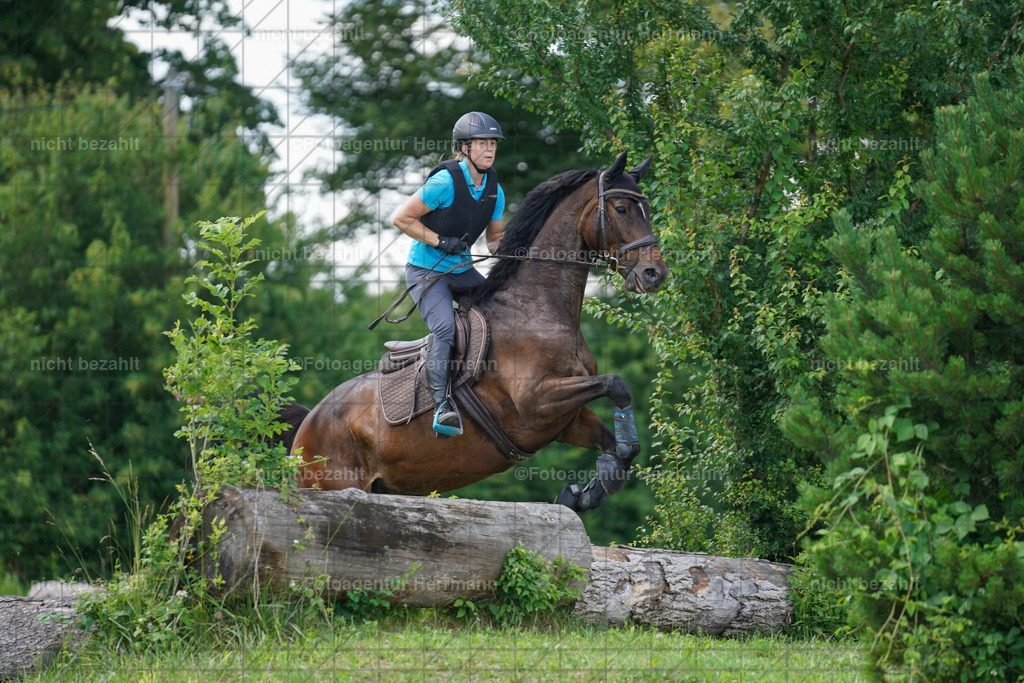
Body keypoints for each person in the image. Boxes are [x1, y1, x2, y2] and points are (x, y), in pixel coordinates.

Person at [391, 112, 506, 437]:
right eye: (483, 143)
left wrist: (515, 254)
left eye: (493, 144)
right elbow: (401, 218)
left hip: (462, 271)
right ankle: (442, 406)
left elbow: (495, 240)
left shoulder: (495, 189)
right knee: (445, 331)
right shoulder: (444, 182)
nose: (490, 149)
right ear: (465, 147)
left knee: (501, 313)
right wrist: (440, 240)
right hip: (426, 273)